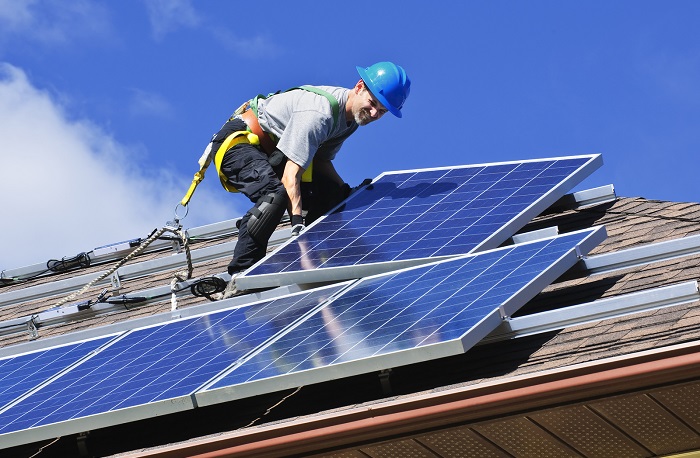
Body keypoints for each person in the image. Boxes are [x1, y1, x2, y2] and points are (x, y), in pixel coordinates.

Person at [203, 62, 411, 280]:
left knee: (334, 197)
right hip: (239, 143)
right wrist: (297, 227)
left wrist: (344, 191)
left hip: (273, 152)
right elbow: (290, 177)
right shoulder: (319, 113)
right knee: (275, 196)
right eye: (373, 103)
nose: (374, 113)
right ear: (359, 86)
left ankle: (327, 261)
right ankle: (243, 274)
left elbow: (320, 161)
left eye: (382, 111)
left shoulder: (350, 122)